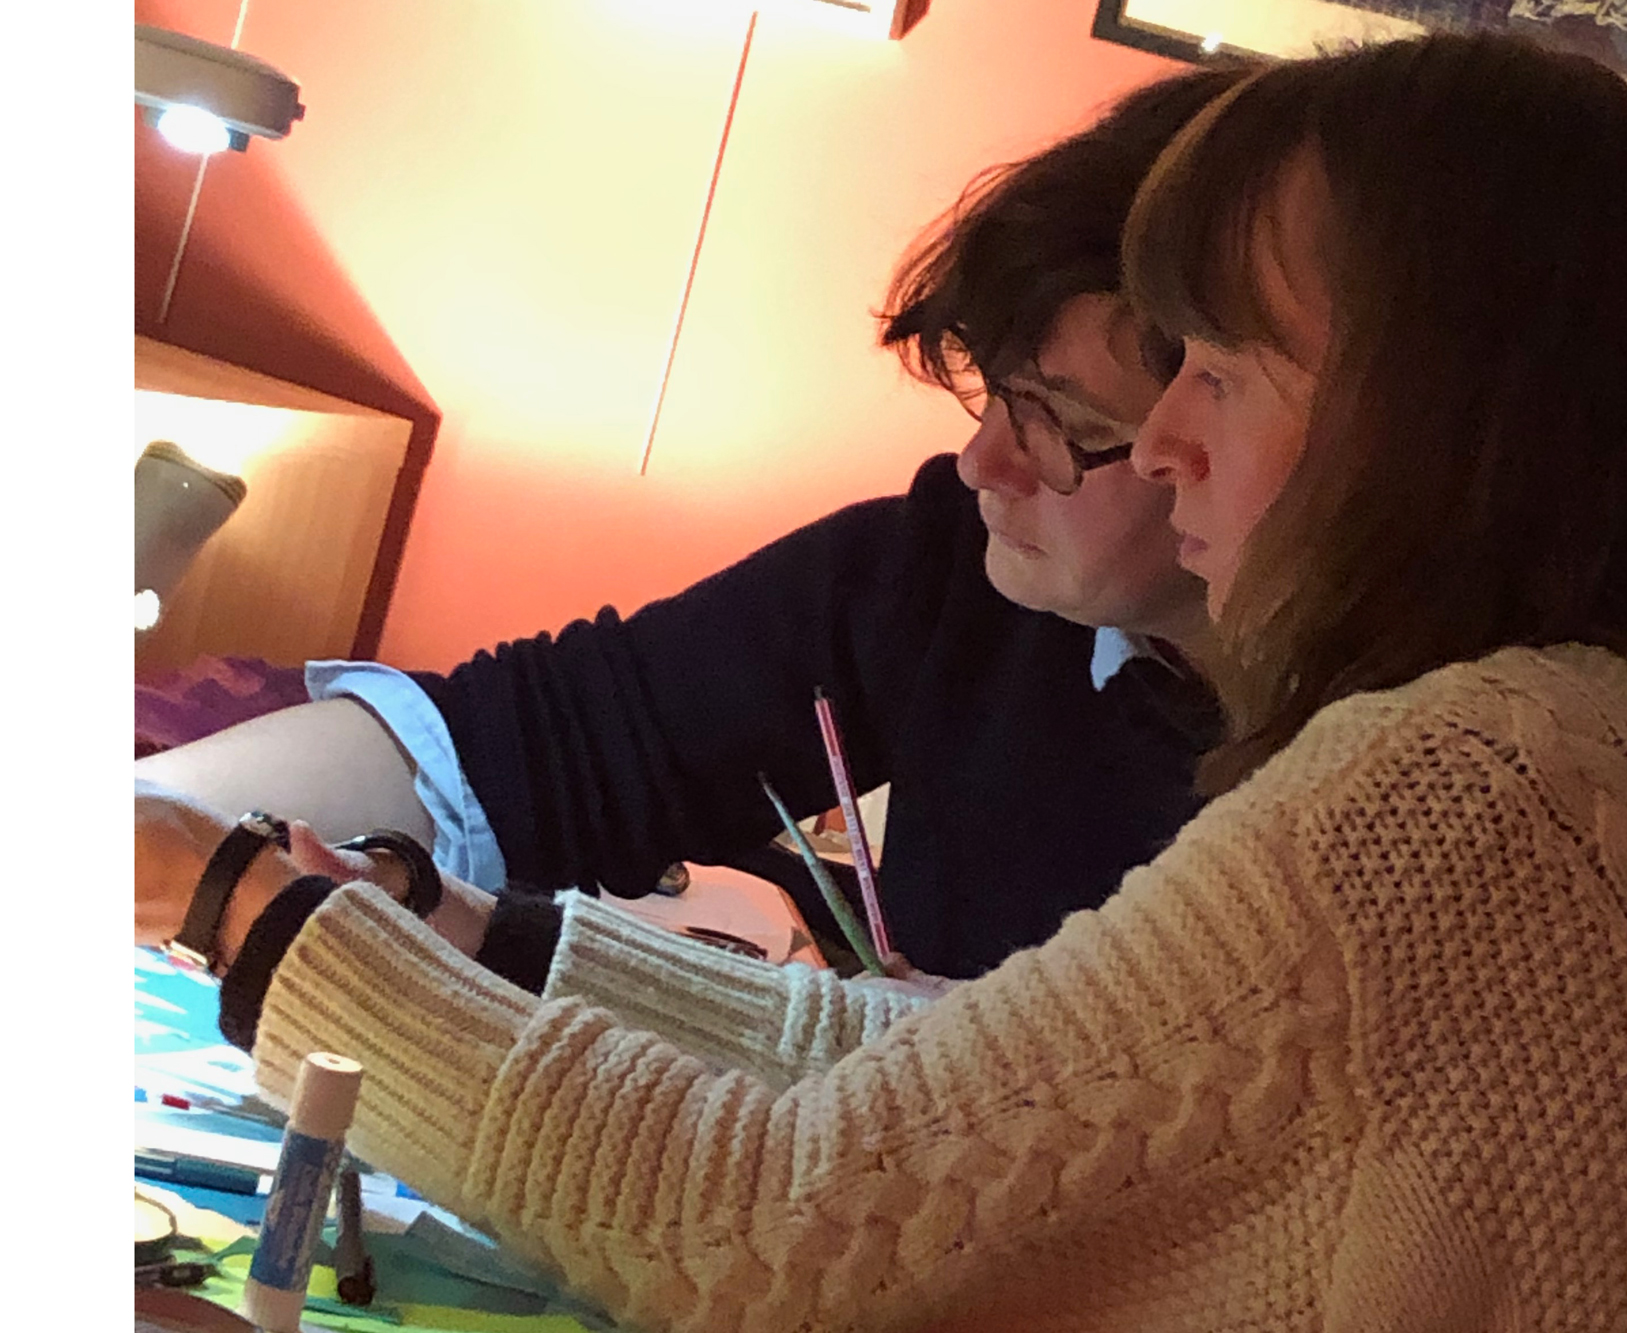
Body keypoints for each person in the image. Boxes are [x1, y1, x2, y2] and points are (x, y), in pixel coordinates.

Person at [137, 33, 1627, 1329]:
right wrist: (475, 929)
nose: (1166, 445)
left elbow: (768, 1230)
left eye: (1225, 374)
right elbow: (957, 1081)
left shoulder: (1473, 793)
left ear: (1429, 430)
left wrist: (236, 906)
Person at [135, 64, 1248, 982]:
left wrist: (250, 895)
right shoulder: (958, 560)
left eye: (1062, 424)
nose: (982, 461)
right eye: (993, 393)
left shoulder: (1326, 804)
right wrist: (162, 831)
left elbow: (971, 1092)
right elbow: (532, 743)